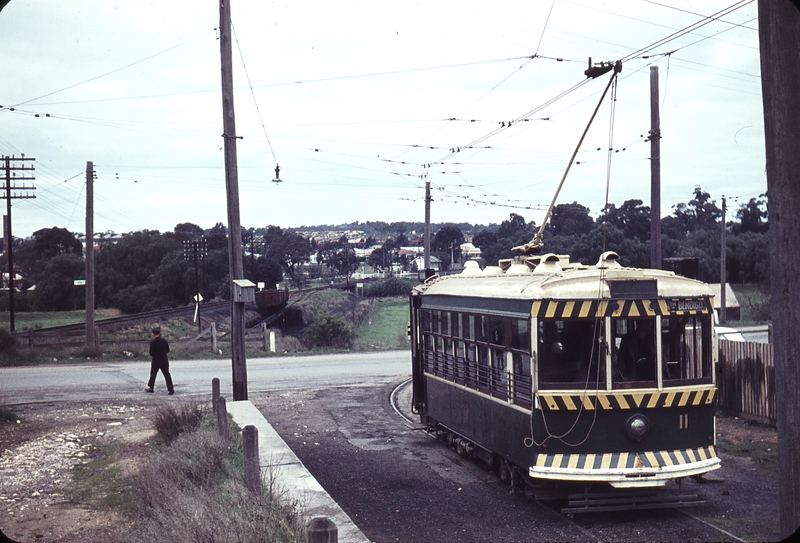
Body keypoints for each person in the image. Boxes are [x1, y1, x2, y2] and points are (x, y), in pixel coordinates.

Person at [146, 327, 174, 395]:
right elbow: (167, 350)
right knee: (167, 374)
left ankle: (151, 387)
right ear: (159, 333)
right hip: (164, 360)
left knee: (153, 374)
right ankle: (170, 389)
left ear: (154, 334)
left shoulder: (153, 342)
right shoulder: (164, 341)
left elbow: (151, 353)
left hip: (156, 361)